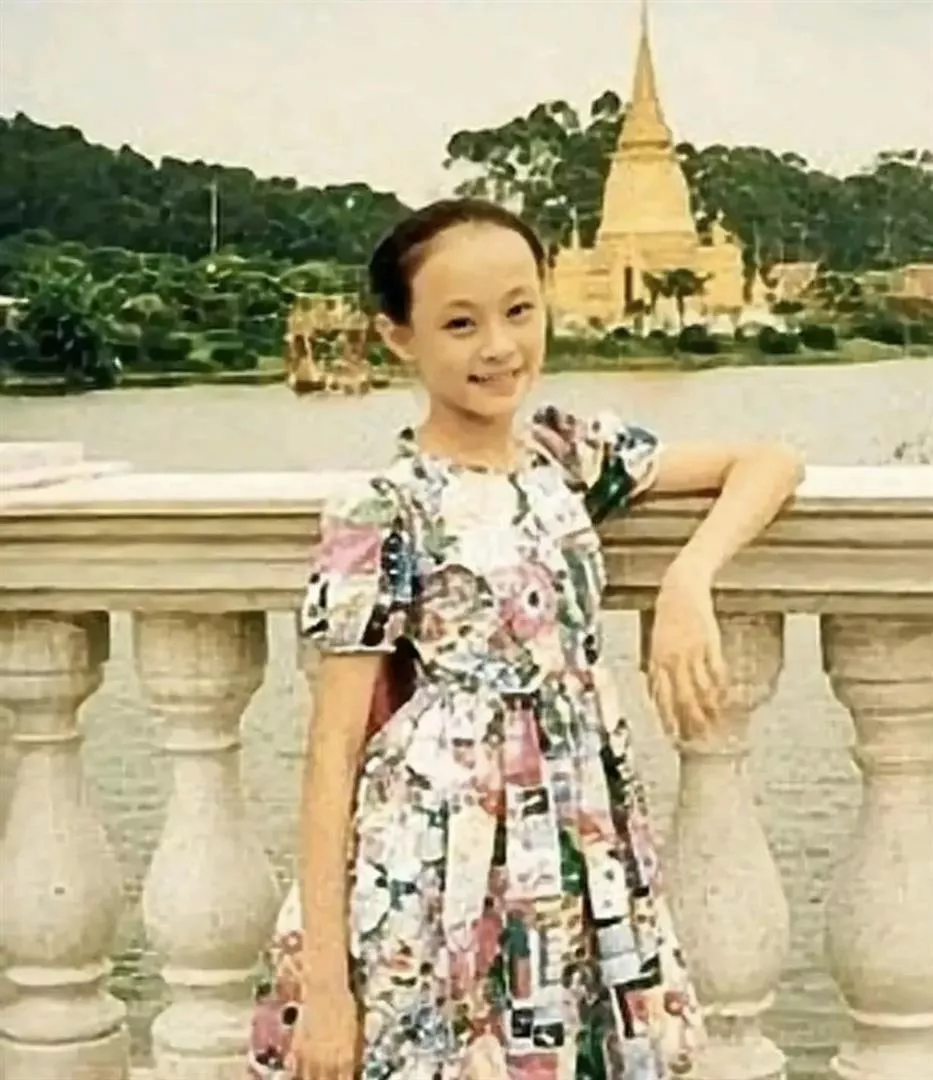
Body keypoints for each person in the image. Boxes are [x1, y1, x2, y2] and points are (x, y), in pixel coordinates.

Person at [246, 197, 805, 1080]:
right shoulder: (384, 508)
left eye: (518, 310)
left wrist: (689, 577)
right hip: (438, 854)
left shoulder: (562, 457)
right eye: (460, 324)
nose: (499, 346)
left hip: (577, 838)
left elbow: (769, 461)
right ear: (399, 337)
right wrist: (325, 986)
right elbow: (332, 750)